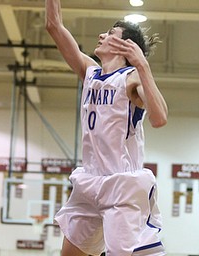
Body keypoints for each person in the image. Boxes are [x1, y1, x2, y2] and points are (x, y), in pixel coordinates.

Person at [45, 1, 168, 256]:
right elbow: (53, 25)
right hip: (90, 181)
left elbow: (159, 118)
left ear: (125, 47)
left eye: (111, 33)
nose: (102, 35)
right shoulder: (90, 72)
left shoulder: (132, 78)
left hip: (121, 186)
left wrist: (143, 65)